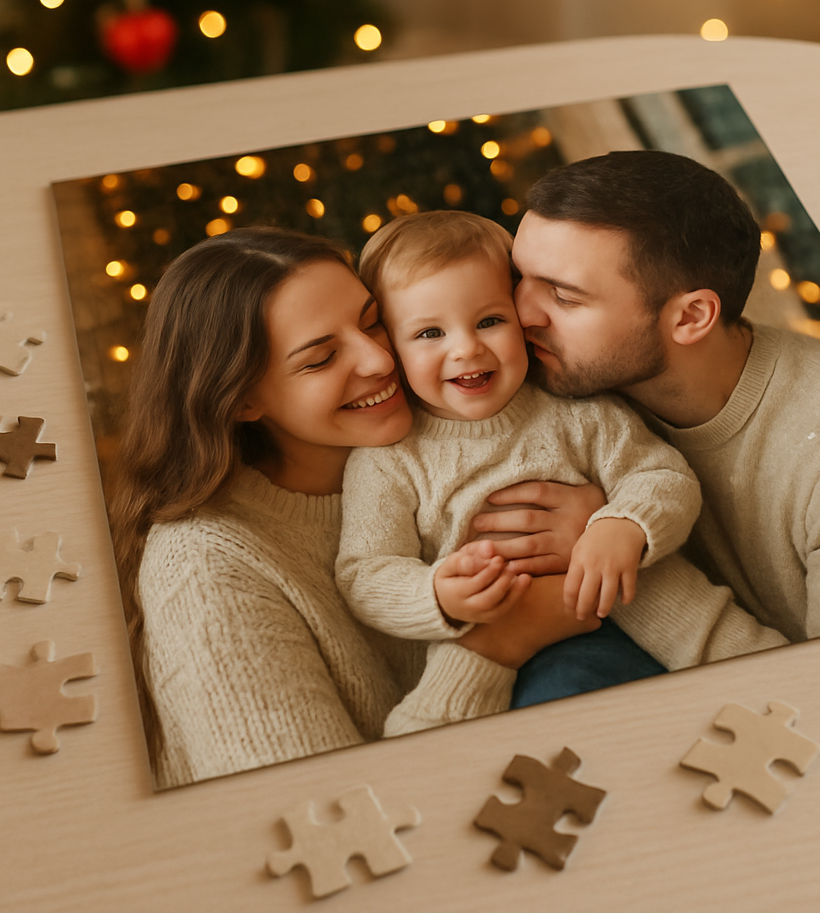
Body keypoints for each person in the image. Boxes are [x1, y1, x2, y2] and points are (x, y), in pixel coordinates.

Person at [108, 228, 601, 789]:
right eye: (320, 359)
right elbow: (324, 819)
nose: (378, 358)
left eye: (372, 322)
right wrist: (496, 645)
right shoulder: (204, 569)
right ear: (242, 399)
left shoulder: (473, 427)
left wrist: (602, 519)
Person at [500, 149, 820, 644]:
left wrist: (617, 565)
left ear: (690, 317)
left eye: (564, 296)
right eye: (519, 277)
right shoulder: (558, 387)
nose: (521, 314)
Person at [335, 211, 786, 702]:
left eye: (489, 321)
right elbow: (366, 571)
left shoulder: (574, 410)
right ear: (392, 349)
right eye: (429, 334)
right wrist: (437, 594)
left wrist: (624, 524)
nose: (466, 348)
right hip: (513, 652)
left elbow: (662, 476)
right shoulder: (389, 459)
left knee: (779, 681)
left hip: (663, 609)